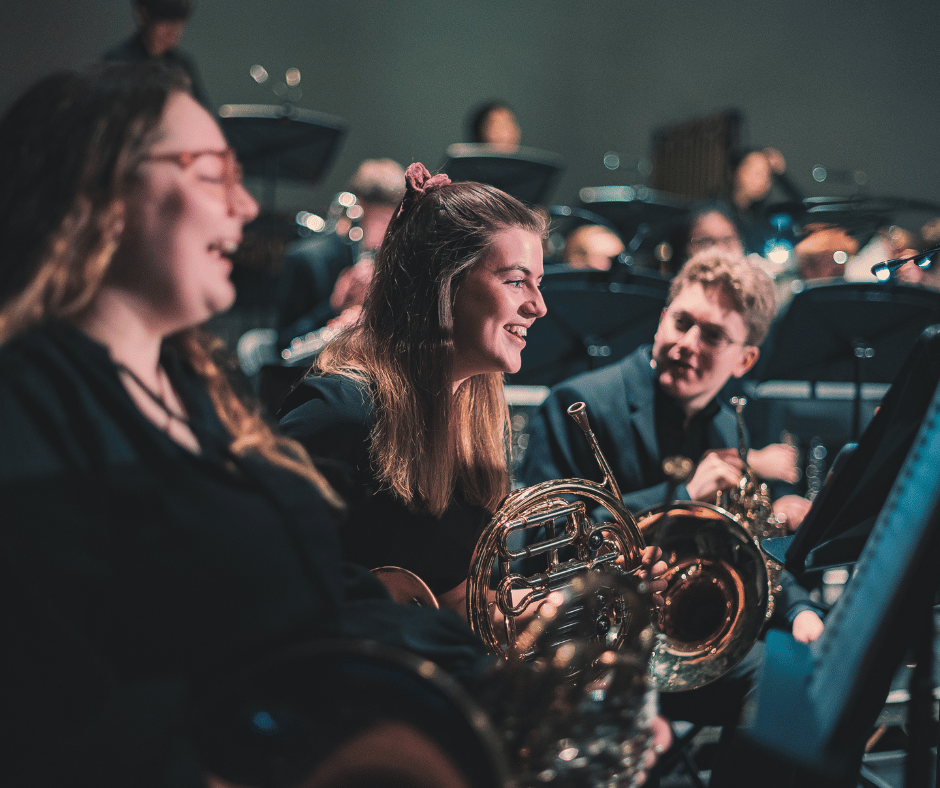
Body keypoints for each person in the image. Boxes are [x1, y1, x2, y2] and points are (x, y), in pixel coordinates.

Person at [0, 64, 490, 788]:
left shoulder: (202, 385)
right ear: (105, 190)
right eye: (210, 174)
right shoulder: (24, 409)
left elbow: (308, 601)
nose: (242, 206)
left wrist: (476, 676)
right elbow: (55, 716)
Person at [279, 163, 666, 619]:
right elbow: (250, 576)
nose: (539, 306)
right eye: (516, 280)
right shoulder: (340, 413)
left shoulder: (473, 419)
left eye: (538, 284)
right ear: (444, 283)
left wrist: (592, 599)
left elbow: (469, 606)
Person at [276, 158, 406, 348]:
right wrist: (333, 307)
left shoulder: (391, 258)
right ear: (357, 211)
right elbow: (282, 344)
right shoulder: (307, 260)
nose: (389, 232)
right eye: (381, 220)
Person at [103, 0, 211, 108]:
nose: (172, 32)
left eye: (178, 24)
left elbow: (205, 109)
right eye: (165, 22)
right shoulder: (117, 63)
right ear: (144, 15)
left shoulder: (183, 63)